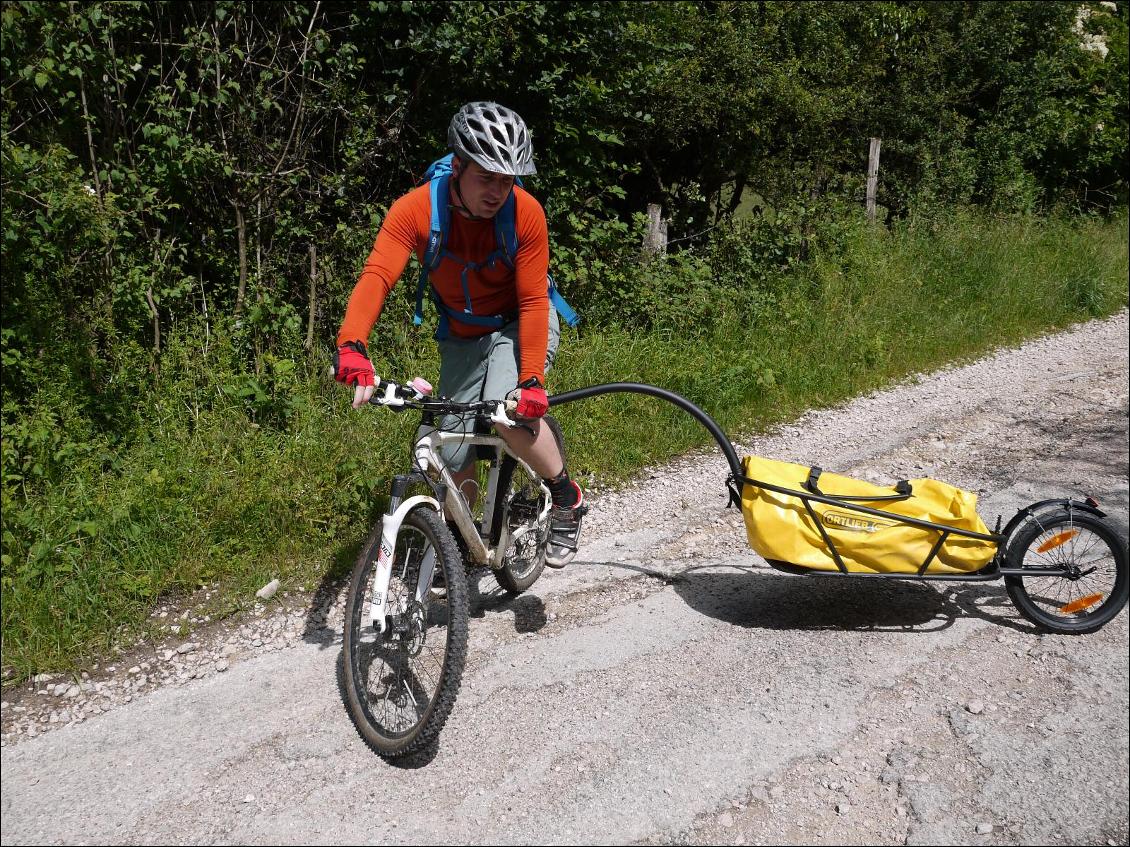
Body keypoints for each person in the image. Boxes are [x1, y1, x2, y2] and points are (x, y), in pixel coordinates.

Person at [333, 101, 585, 568]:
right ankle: (465, 539)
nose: (497, 191)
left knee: (508, 415)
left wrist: (530, 381)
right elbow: (378, 275)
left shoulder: (525, 214)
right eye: (486, 176)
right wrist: (352, 345)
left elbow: (532, 302)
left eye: (507, 180)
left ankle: (566, 496)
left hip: (518, 322)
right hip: (463, 331)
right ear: (460, 167)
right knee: (452, 440)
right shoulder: (414, 210)